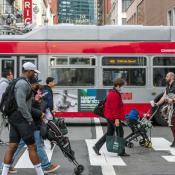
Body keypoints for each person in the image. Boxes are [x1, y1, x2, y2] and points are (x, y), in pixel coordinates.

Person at [1, 62, 44, 175]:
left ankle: (4, 173)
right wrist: (29, 119)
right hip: (21, 119)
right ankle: (40, 173)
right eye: (34, 72)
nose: (35, 74)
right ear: (28, 71)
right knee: (32, 147)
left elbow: (23, 101)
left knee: (13, 145)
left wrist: (34, 101)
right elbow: (21, 104)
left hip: (14, 118)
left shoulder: (19, 81)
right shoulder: (22, 83)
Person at [9, 78, 60, 174]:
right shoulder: (29, 93)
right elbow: (28, 108)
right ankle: (46, 165)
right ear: (32, 84)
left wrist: (39, 101)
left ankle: (5, 165)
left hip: (30, 123)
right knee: (37, 145)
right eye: (36, 82)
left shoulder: (31, 92)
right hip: (31, 123)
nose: (37, 84)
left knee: (20, 144)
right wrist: (39, 111)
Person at [93, 78, 130, 156]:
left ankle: (97, 146)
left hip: (110, 116)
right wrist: (117, 119)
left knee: (109, 133)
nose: (122, 88)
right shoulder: (114, 95)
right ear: (118, 86)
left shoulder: (114, 92)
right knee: (120, 133)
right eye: (122, 86)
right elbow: (115, 109)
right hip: (113, 117)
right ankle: (121, 151)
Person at [155, 72, 175, 147]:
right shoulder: (168, 86)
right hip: (171, 108)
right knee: (172, 124)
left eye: (167, 76)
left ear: (172, 77)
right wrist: (157, 104)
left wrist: (173, 100)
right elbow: (163, 97)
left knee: (173, 123)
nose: (165, 78)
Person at [0, 70, 14, 144]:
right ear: (7, 76)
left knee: (3, 123)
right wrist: (3, 109)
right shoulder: (4, 84)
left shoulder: (5, 83)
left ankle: (4, 139)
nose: (12, 75)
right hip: (1, 108)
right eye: (11, 74)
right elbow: (2, 97)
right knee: (1, 123)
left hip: (2, 107)